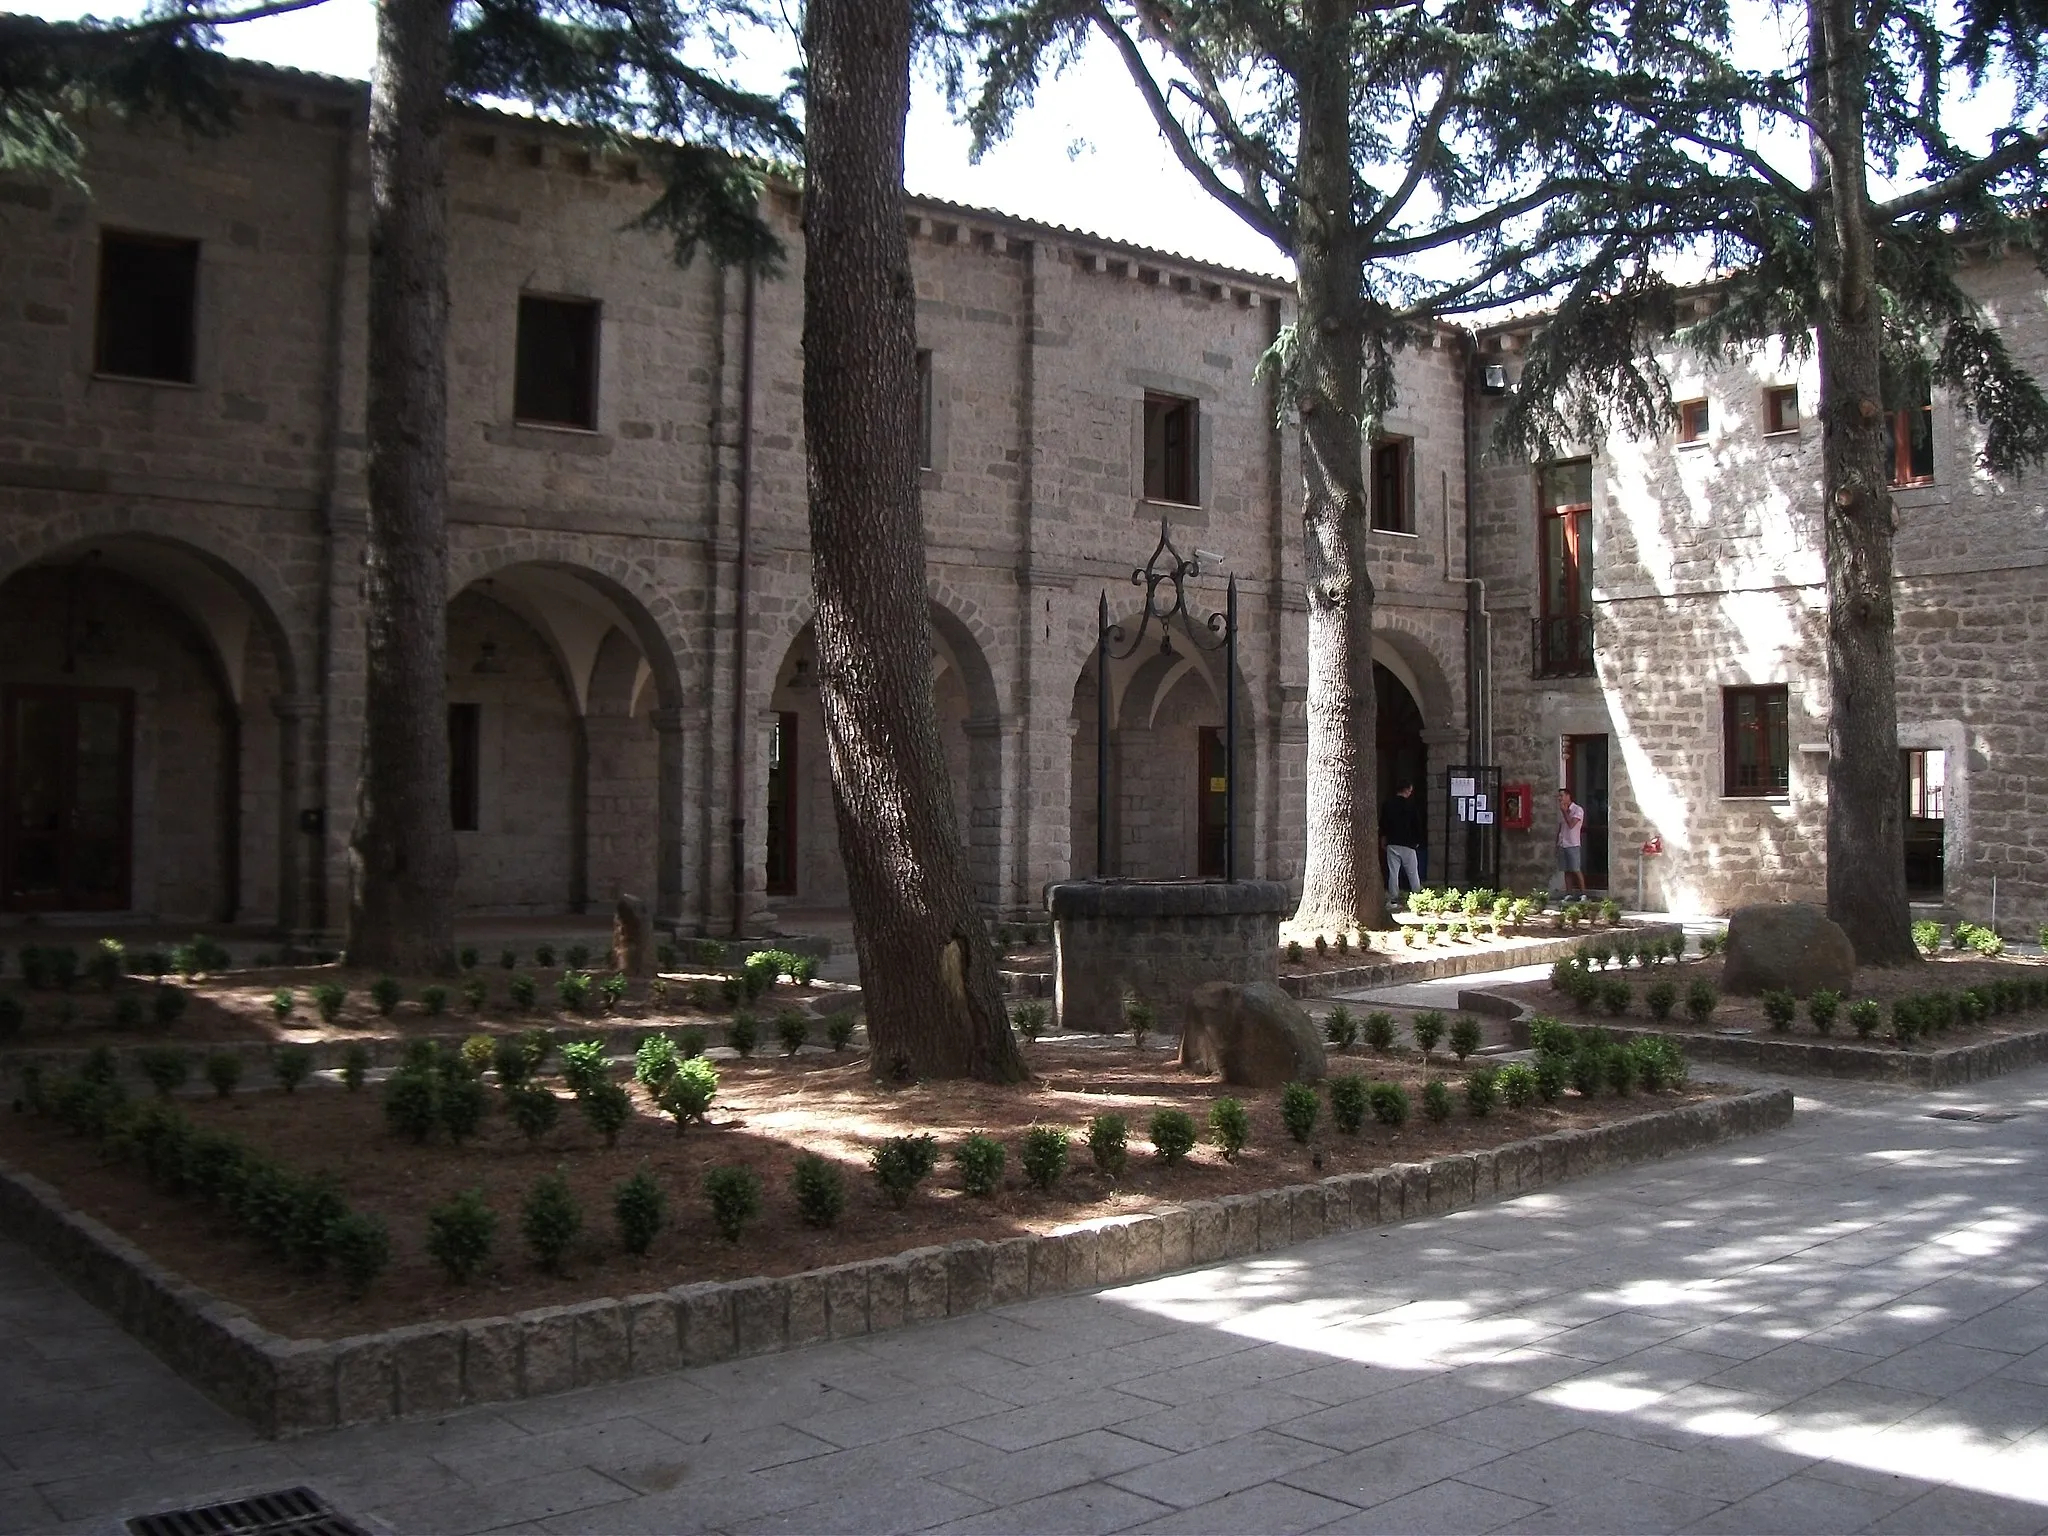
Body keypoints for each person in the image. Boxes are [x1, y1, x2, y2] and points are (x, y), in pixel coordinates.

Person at [1380, 781, 1423, 902]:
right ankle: (1418, 896)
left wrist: (1383, 838)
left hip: (1392, 842)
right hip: (1408, 843)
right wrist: (1417, 840)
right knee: (1413, 872)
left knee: (1393, 872)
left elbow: (1383, 823)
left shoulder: (1387, 804)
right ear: (1407, 790)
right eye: (1410, 790)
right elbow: (1416, 825)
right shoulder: (1411, 806)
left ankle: (1394, 896)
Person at [1557, 787, 1587, 897]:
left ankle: (1583, 893)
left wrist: (1564, 812)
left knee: (1575, 869)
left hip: (1573, 843)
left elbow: (1571, 825)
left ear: (1568, 796)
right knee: (1566, 870)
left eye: (1562, 796)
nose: (1559, 798)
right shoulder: (1562, 809)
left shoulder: (1577, 810)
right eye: (1559, 796)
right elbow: (1561, 827)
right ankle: (1568, 893)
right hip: (1563, 843)